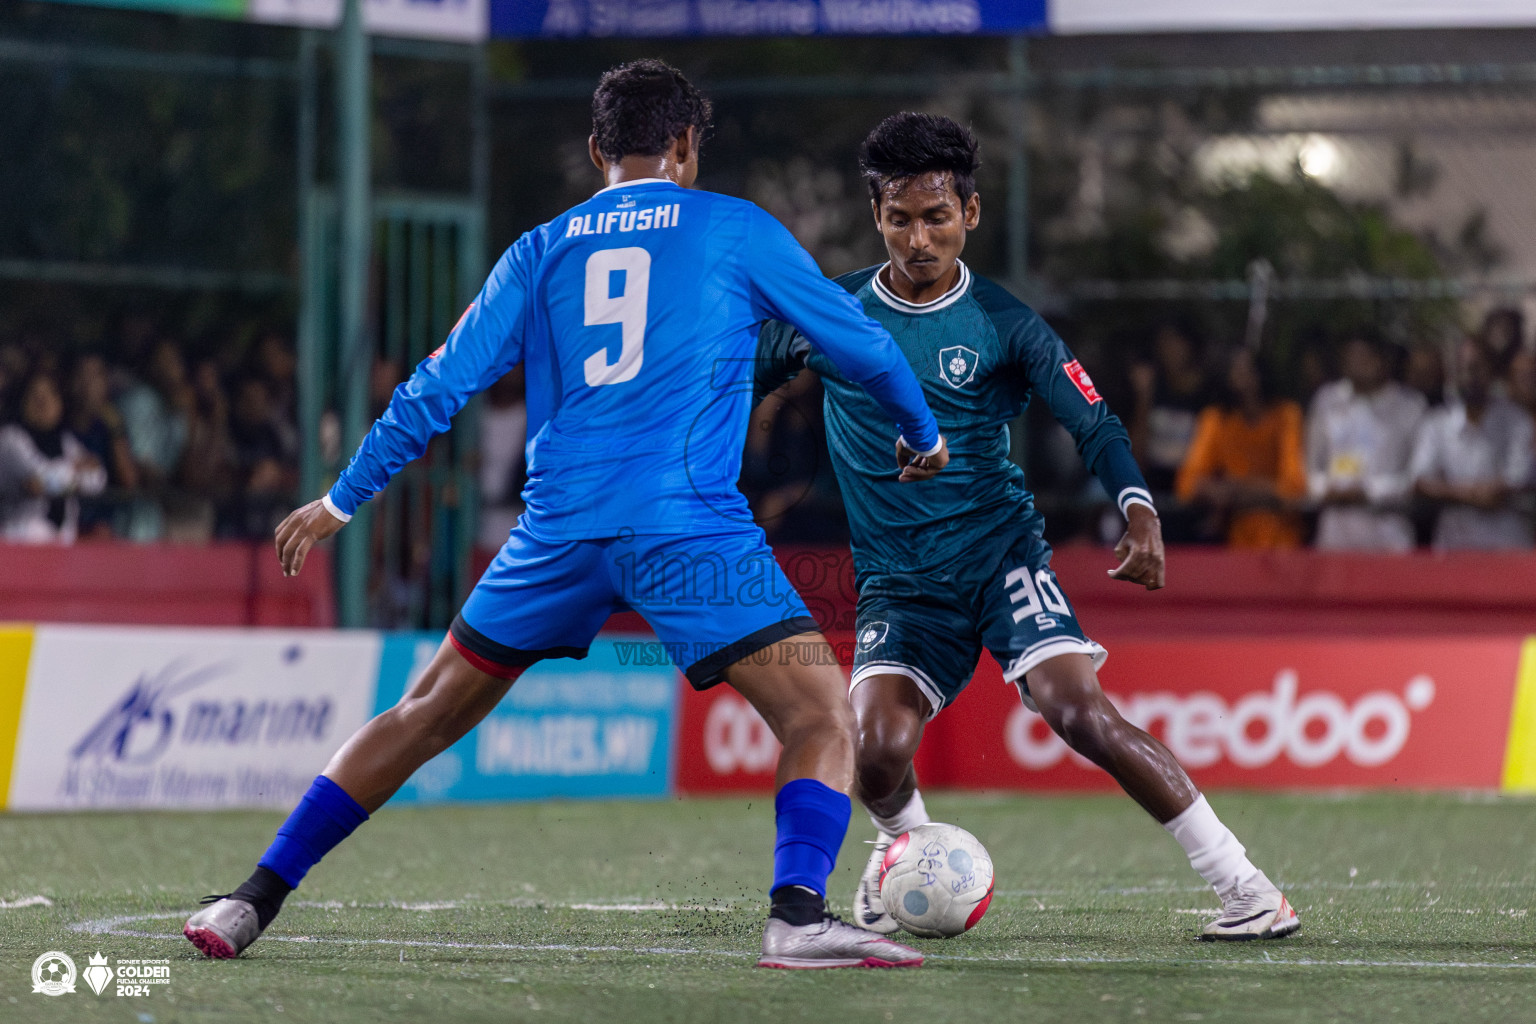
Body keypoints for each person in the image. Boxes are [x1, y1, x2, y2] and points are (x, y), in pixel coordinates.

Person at [183, 59, 949, 971]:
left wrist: (342, 497)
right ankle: (796, 914)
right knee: (823, 716)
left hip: (555, 533)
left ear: (597, 151)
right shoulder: (735, 229)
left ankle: (249, 899)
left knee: (419, 714)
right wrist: (921, 431)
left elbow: (438, 386)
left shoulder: (541, 248)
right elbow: (858, 344)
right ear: (686, 146)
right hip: (683, 527)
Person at [756, 113, 1299, 942]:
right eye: (900, 219)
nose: (918, 238)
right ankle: (905, 851)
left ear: (970, 215)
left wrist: (1138, 506)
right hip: (900, 584)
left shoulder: (1003, 322)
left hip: (999, 557)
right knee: (872, 748)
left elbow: (1094, 422)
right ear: (877, 217)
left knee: (1078, 713)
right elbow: (729, 373)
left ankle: (1247, 888)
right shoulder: (831, 314)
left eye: (937, 217)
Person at [1175, 347, 1307, 548]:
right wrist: (1216, 491)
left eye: (1249, 371)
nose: (1244, 381)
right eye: (1236, 372)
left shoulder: (1286, 415)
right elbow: (1187, 484)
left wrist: (1237, 487)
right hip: (1234, 542)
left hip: (1283, 541)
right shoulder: (1216, 419)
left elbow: (1294, 486)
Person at [1306, 333, 1426, 552]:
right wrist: (1325, 488)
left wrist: (1369, 491)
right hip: (1336, 532)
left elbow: (1416, 476)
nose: (1357, 364)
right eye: (1351, 357)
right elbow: (1311, 466)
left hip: (1388, 534)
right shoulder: (1328, 400)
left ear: (1382, 360)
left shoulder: (1410, 406)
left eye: (1364, 357)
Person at [1411, 338, 1534, 550]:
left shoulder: (1517, 421)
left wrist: (1450, 488)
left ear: (1492, 372)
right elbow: (1420, 480)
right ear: (1452, 374)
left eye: (1477, 368)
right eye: (1463, 369)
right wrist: (1471, 495)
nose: (1470, 377)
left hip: (1507, 546)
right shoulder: (1436, 423)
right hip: (1453, 546)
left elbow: (1518, 477)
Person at [0, 371, 107, 542]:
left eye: (50, 395)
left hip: (60, 545)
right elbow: (37, 481)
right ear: (21, 401)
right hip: (19, 543)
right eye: (35, 396)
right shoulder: (9, 439)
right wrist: (77, 471)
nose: (43, 403)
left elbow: (97, 479)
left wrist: (54, 480)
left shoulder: (67, 441)